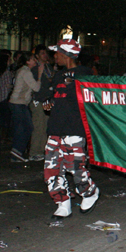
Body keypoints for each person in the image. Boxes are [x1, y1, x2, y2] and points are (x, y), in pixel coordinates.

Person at [43, 39, 100, 219]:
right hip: (56, 128)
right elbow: (58, 97)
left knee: (75, 167)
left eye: (57, 52)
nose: (54, 56)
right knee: (52, 168)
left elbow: (90, 99)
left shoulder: (85, 75)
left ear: (65, 54)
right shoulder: (59, 75)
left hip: (74, 129)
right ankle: (62, 202)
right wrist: (50, 104)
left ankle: (89, 192)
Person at [8, 53, 40, 162]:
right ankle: (17, 151)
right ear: (27, 61)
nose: (35, 61)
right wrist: (39, 77)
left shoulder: (23, 70)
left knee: (21, 128)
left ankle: (16, 152)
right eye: (32, 59)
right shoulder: (26, 72)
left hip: (18, 102)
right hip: (18, 103)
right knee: (27, 127)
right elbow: (36, 87)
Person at [29, 45, 53, 162]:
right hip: (38, 100)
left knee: (45, 126)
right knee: (38, 126)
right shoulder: (35, 69)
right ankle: (34, 151)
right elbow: (37, 87)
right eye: (42, 53)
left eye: (45, 53)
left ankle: (42, 150)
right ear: (37, 56)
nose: (45, 55)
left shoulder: (49, 68)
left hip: (47, 100)